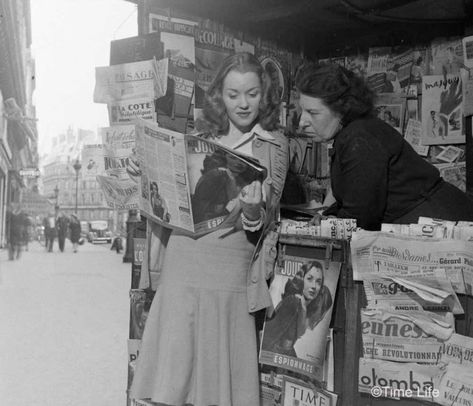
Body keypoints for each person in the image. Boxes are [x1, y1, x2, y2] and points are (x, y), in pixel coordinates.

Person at [130, 52, 288, 406]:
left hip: (231, 260)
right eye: (233, 95)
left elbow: (264, 223)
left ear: (265, 94)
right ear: (220, 95)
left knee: (219, 376)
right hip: (184, 253)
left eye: (252, 93)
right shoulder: (199, 135)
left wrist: (252, 208)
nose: (243, 104)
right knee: (173, 373)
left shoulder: (275, 146)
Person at [295, 62, 473, 231]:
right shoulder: (353, 133)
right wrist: (329, 216)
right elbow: (355, 202)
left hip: (441, 224)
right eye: (302, 111)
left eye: (312, 112)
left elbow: (360, 216)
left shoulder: (359, 137)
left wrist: (331, 221)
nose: (302, 122)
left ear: (342, 109)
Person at [261, 261, 333, 357]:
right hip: (275, 356)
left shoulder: (306, 305)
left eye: (318, 282)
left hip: (287, 355)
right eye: (309, 279)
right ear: (302, 279)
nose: (314, 286)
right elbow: (269, 338)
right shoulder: (293, 302)